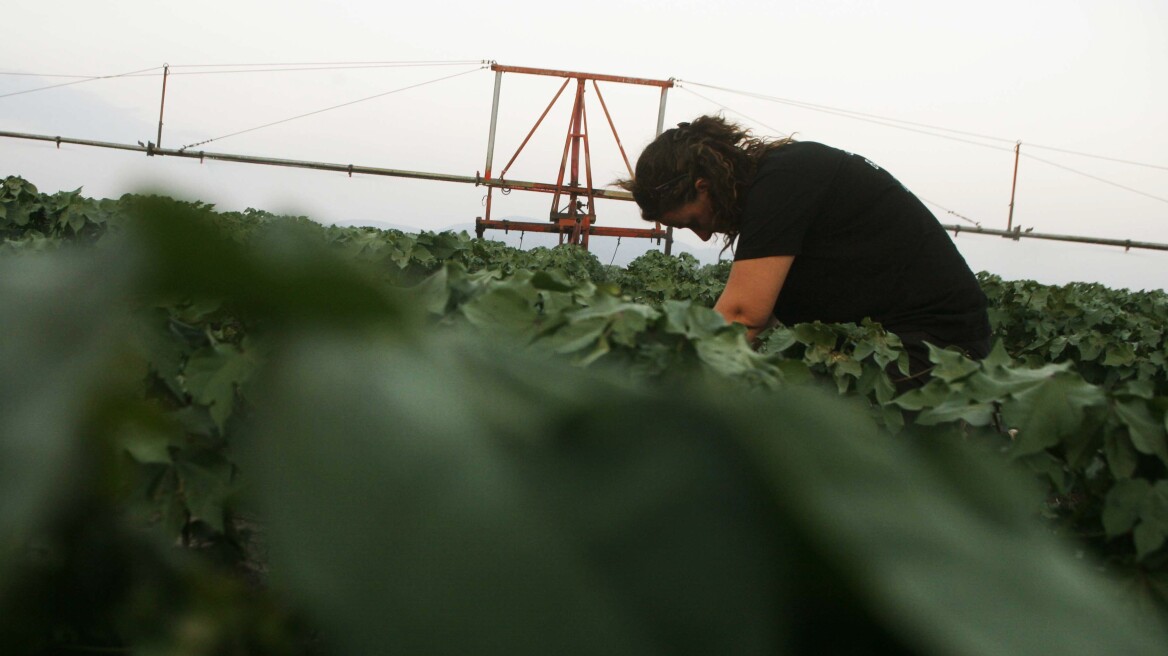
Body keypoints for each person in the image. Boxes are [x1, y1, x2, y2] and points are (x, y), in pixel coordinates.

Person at [620, 114, 991, 390]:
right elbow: (761, 320)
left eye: (691, 221)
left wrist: (663, 382)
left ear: (704, 188)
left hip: (931, 354)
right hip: (901, 346)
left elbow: (744, 314)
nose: (702, 236)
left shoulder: (784, 180)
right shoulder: (779, 181)